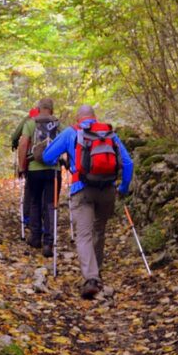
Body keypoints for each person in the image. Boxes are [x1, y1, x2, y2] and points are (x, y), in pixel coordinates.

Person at [42, 105, 133, 299]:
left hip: (81, 189)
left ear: (78, 118)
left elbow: (47, 156)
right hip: (107, 190)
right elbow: (128, 163)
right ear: (94, 117)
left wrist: (64, 160)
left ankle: (91, 279)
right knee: (99, 230)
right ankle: (97, 271)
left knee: (83, 235)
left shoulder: (71, 132)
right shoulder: (109, 133)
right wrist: (123, 188)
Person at [16, 98, 61, 257]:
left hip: (34, 169)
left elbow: (23, 145)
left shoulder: (30, 123)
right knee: (50, 204)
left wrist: (22, 167)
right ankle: (49, 243)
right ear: (52, 109)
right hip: (53, 170)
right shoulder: (58, 124)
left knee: (34, 201)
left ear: (39, 108)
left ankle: (35, 237)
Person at [10, 105, 39, 241]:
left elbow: (15, 136)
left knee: (30, 188)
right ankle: (41, 218)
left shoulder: (27, 120)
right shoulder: (50, 121)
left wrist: (15, 143)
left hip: (28, 159)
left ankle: (27, 217)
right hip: (46, 161)